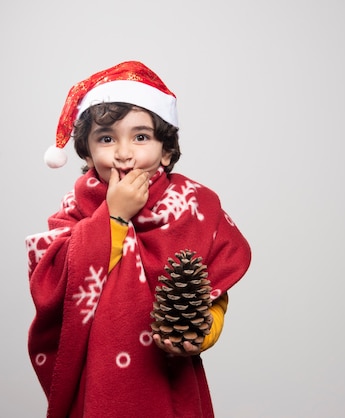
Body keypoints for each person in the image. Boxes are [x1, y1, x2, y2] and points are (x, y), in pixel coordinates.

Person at [25, 61, 251, 418]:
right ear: (86, 152)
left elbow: (213, 291)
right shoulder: (74, 212)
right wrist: (113, 217)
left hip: (168, 383)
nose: (124, 152)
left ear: (165, 150)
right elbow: (55, 287)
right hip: (98, 383)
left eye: (141, 137)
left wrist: (199, 334)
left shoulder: (194, 207)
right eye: (106, 138)